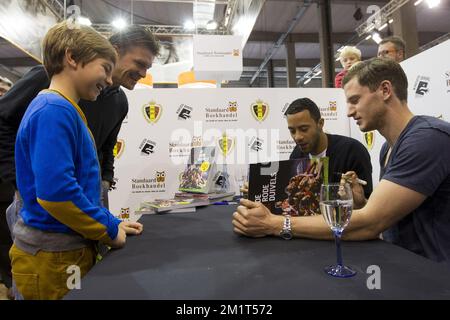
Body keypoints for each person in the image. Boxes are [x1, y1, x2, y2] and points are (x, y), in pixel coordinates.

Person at [233, 58, 450, 264]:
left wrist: (274, 224)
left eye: (355, 100)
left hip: (434, 277)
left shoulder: (426, 139)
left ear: (385, 90)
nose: (348, 112)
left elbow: (371, 223)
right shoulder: (388, 147)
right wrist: (360, 203)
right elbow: (388, 218)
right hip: (407, 267)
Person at [9, 21, 144, 300]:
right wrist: (108, 229)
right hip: (53, 258)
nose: (109, 80)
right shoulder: (53, 111)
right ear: (72, 58)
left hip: (64, 252)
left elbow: (78, 187)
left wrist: (109, 220)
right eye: (105, 68)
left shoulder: (66, 109)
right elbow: (57, 194)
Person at [0, 75, 14, 299]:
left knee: (6, 240)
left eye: (5, 90)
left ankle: (9, 283)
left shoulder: (12, 121)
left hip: (5, 191)